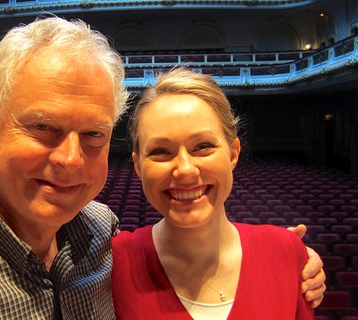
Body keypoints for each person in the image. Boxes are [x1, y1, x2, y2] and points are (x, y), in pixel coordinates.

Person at [0, 17, 324, 319]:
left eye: (93, 136)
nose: (69, 161)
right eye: (43, 128)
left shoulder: (100, 236)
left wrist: (287, 262)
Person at [112, 68, 319, 319]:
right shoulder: (112, 264)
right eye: (160, 151)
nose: (185, 170)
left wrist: (288, 254)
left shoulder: (288, 254)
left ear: (233, 153)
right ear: (137, 165)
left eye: (203, 147)